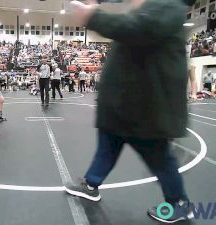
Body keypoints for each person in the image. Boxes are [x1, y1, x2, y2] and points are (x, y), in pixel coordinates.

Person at [67, 0, 194, 223]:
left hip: (143, 110)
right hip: (125, 107)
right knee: (108, 146)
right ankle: (91, 184)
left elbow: (136, 29)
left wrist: (94, 16)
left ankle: (179, 204)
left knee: (159, 158)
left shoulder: (167, 7)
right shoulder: (155, 9)